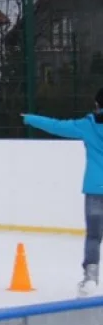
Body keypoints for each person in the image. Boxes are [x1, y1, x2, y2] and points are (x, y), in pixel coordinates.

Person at [22, 88, 103, 296]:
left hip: (95, 188)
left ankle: (91, 278)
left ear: (97, 105)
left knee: (94, 236)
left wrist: (31, 119)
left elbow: (57, 126)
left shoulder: (87, 126)